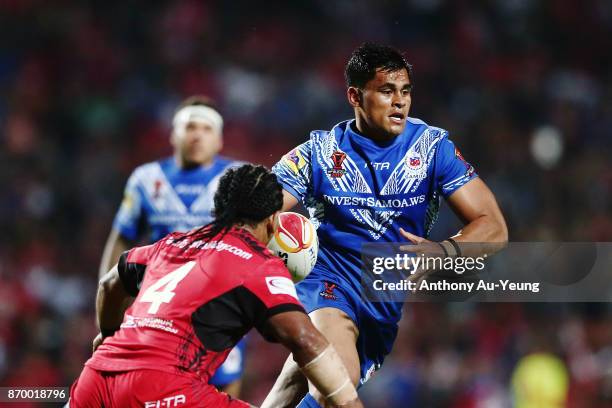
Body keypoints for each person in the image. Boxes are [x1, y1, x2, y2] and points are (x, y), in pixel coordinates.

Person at [262, 43, 508, 407]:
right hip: (328, 283)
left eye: (405, 91)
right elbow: (260, 211)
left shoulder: (431, 148)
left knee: (300, 384)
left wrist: (444, 250)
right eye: (387, 91)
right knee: (335, 385)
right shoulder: (319, 153)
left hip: (381, 307)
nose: (400, 102)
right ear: (355, 96)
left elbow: (495, 228)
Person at [70, 164, 364, 408]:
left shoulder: (173, 242)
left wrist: (107, 335)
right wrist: (349, 403)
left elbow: (110, 283)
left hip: (95, 382)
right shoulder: (259, 263)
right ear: (273, 220)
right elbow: (305, 341)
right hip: (165, 388)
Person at [99, 95, 246, 395]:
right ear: (172, 134)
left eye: (206, 128)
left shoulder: (238, 178)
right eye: (190, 126)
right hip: (158, 303)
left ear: (219, 140)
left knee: (222, 385)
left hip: (219, 301)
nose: (197, 134)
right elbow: (121, 238)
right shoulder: (145, 179)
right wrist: (109, 297)